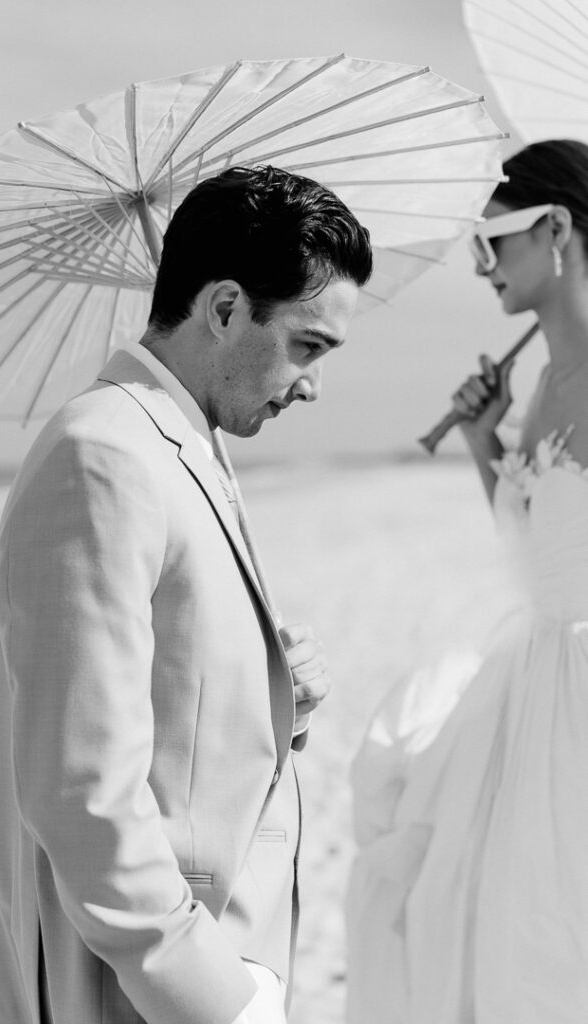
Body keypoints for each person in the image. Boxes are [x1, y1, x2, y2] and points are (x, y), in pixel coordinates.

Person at [0, 164, 372, 1024]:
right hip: (144, 987)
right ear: (223, 308)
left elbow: (172, 704)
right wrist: (216, 999)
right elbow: (80, 790)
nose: (310, 384)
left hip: (222, 950)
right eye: (307, 344)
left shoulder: (186, 441)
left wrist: (278, 691)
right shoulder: (103, 454)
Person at [347, 139, 588, 1023]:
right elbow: (532, 551)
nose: (480, 267)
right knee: (492, 928)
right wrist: (485, 439)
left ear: (554, 228)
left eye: (493, 243)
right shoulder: (544, 385)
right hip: (527, 687)